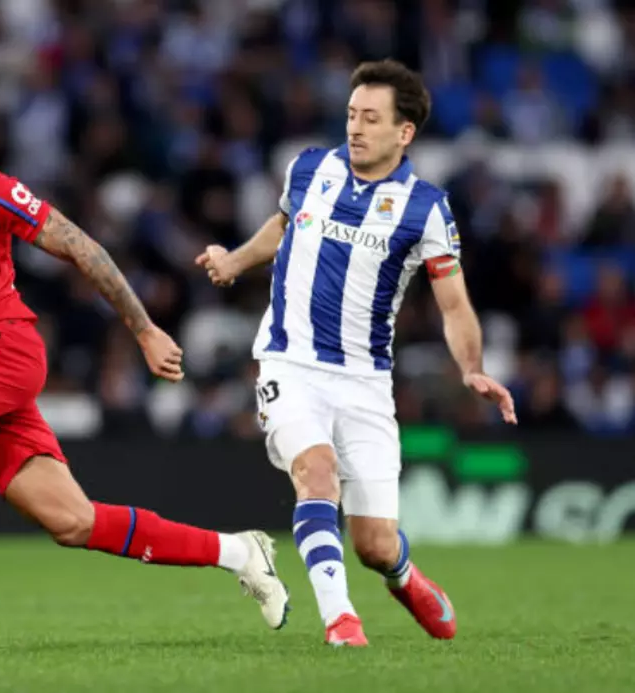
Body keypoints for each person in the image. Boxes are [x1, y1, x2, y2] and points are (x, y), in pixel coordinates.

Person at [0, 61, 288, 629]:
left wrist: (144, 330)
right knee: (73, 521)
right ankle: (240, 552)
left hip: (2, 347)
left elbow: (79, 245)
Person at [197, 59, 517, 646]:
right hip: (289, 362)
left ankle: (403, 575)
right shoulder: (309, 168)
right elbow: (284, 225)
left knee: (374, 543)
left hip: (366, 382)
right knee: (316, 472)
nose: (355, 127)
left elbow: (453, 303)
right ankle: (341, 620)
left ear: (404, 132)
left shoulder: (426, 208)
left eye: (371, 118)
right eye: (351, 114)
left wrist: (472, 369)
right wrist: (235, 261)